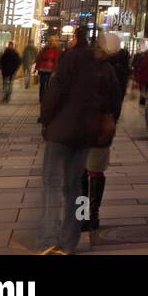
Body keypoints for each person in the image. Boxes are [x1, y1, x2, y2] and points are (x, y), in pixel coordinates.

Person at [38, 31, 118, 254]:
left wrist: (45, 120)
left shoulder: (72, 60)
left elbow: (55, 91)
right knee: (77, 182)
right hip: (90, 133)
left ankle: (53, 235)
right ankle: (79, 228)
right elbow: (114, 105)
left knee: (59, 183)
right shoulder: (108, 71)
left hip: (64, 131)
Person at [82, 33, 127, 243]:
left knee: (82, 171)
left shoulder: (82, 66)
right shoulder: (111, 71)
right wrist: (111, 120)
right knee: (94, 171)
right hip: (100, 127)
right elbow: (116, 101)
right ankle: (92, 214)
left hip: (82, 126)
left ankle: (83, 215)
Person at [35, 34, 61, 102]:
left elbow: (56, 60)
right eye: (50, 40)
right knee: (42, 84)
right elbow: (39, 58)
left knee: (48, 85)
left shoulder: (56, 50)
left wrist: (55, 69)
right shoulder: (44, 49)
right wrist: (36, 67)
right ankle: (41, 98)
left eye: (53, 40)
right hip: (43, 69)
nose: (51, 42)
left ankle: (46, 98)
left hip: (51, 69)